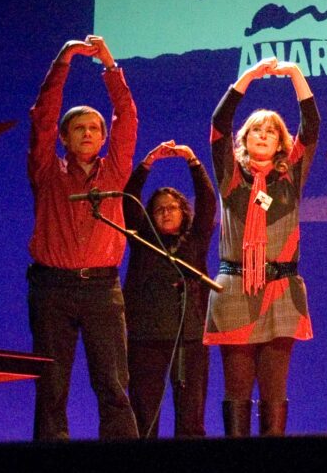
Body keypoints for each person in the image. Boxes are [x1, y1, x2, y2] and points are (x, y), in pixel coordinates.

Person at [26, 35, 138, 440]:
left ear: (103, 138)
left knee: (112, 385)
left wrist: (110, 66)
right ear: (65, 137)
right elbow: (42, 116)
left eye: (94, 128)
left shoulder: (114, 172)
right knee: (52, 389)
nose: (88, 133)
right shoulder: (46, 171)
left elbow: (126, 117)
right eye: (79, 128)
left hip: (102, 289)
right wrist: (64, 60)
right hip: (52, 288)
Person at [204, 57, 319, 437]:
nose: (264, 135)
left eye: (272, 131)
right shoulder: (230, 177)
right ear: (245, 139)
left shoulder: (291, 177)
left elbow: (312, 127)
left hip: (282, 291)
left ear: (282, 141)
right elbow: (220, 124)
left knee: (275, 391)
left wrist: (296, 76)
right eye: (256, 130)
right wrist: (247, 78)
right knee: (236, 389)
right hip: (235, 289)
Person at [122, 140, 215, 438]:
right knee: (144, 417)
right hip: (145, 341)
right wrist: (148, 162)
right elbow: (128, 198)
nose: (165, 213)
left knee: (191, 419)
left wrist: (194, 162)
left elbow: (207, 203)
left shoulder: (194, 241)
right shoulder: (143, 242)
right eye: (159, 209)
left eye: (172, 207)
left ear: (182, 211)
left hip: (189, 340)